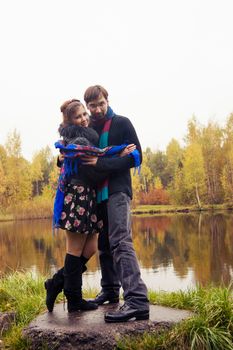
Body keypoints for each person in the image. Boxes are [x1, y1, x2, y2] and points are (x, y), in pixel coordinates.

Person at [45, 99, 135, 313]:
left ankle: (56, 282)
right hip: (78, 197)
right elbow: (92, 170)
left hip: (88, 197)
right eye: (79, 117)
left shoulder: (84, 137)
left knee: (92, 247)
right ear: (71, 121)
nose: (85, 118)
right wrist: (117, 157)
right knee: (75, 250)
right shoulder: (78, 139)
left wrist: (113, 154)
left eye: (85, 114)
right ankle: (74, 300)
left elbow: (97, 158)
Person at [82, 85, 149, 322]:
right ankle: (110, 290)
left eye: (101, 103)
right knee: (104, 244)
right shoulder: (88, 128)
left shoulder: (122, 123)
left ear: (107, 100)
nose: (98, 109)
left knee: (120, 241)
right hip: (97, 194)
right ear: (87, 107)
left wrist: (101, 163)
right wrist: (61, 159)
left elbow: (136, 155)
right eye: (92, 106)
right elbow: (80, 155)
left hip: (118, 191)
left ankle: (137, 300)